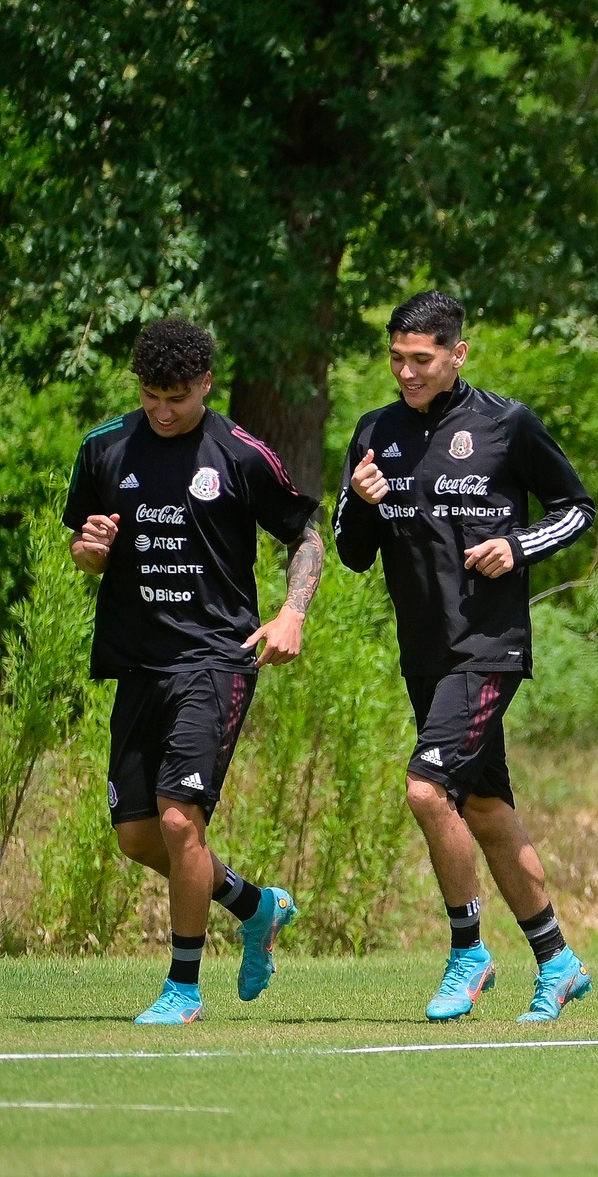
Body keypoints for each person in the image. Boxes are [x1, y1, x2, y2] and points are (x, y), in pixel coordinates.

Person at [335, 291, 597, 1023]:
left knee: (427, 791)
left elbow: (576, 508)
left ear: (458, 353)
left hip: (488, 646)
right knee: (485, 808)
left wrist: (516, 545)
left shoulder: (506, 423)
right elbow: (352, 552)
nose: (408, 372)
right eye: (397, 358)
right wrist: (359, 499)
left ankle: (467, 949)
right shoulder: (374, 432)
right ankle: (559, 961)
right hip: (424, 651)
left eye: (422, 359)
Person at [65, 318, 322, 1025]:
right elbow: (85, 551)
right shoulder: (104, 449)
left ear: (206, 383)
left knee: (181, 823)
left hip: (217, 657)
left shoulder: (240, 454)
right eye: (151, 395)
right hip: (138, 662)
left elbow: (306, 532)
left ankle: (182, 986)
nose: (163, 409)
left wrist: (292, 609)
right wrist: (91, 549)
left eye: (177, 395)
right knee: (138, 836)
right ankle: (254, 903)